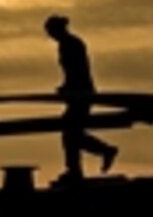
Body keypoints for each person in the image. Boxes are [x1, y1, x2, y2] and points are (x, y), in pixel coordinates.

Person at [44, 14, 118, 181]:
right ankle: (78, 168)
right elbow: (72, 71)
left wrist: (70, 88)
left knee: (70, 132)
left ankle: (94, 158)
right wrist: (65, 86)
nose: (49, 35)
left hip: (82, 93)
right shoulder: (67, 44)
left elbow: (78, 70)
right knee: (72, 133)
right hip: (78, 92)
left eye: (50, 31)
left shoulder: (71, 44)